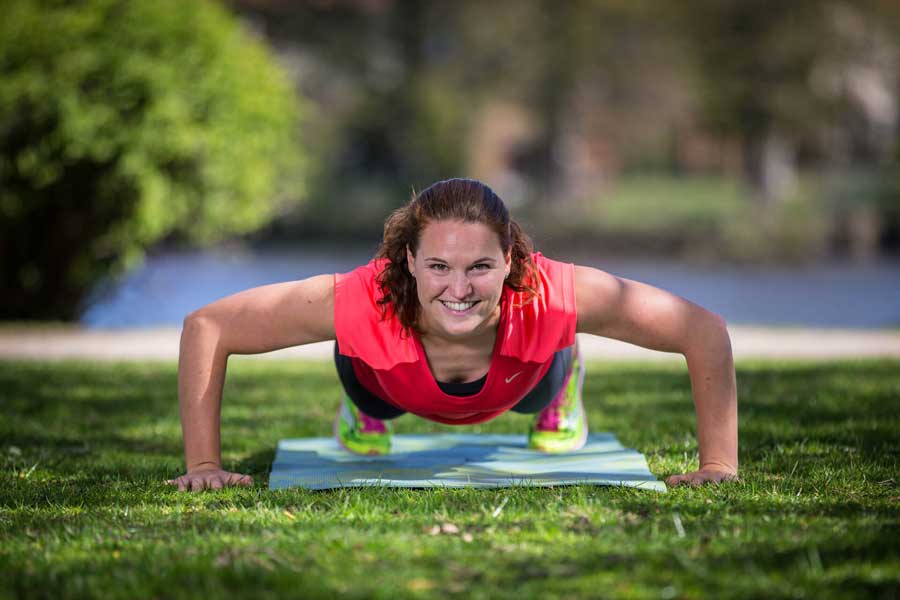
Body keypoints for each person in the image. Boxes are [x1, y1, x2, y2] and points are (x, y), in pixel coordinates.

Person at [166, 178, 738, 492]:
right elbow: (207, 325)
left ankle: (562, 396)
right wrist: (203, 465)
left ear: (510, 258)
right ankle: (360, 411)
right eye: (439, 266)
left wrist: (718, 465)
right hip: (387, 386)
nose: (459, 289)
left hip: (523, 384)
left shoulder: (553, 291)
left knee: (547, 369)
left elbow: (703, 330)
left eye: (480, 267)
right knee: (368, 382)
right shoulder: (362, 296)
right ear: (408, 260)